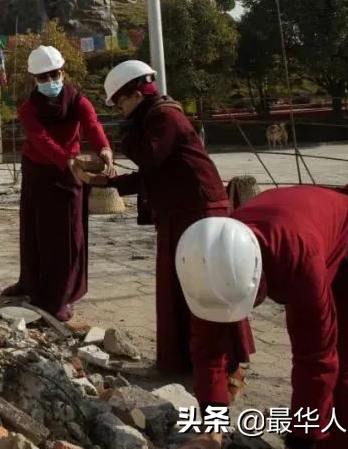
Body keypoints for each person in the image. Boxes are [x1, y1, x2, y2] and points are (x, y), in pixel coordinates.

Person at [75, 60, 254, 376]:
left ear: (136, 95)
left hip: (199, 211)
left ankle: (222, 362)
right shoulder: (156, 118)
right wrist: (105, 182)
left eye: (119, 102)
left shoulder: (164, 116)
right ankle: (186, 360)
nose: (119, 110)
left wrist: (125, 138)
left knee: (206, 286)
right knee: (179, 287)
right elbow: (152, 174)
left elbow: (149, 157)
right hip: (182, 210)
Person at [172, 185, 348, 449]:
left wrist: (296, 447)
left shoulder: (297, 260)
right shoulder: (206, 265)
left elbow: (316, 358)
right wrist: (212, 433)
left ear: (258, 278)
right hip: (301, 221)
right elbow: (208, 351)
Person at [2, 46, 112, 321]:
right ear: (34, 79)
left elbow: (92, 124)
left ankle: (63, 295)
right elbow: (41, 139)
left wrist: (104, 149)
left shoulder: (77, 101)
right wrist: (67, 160)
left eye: (54, 74)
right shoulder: (28, 109)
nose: (50, 81)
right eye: (43, 77)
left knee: (66, 237)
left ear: (63, 72)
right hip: (38, 172)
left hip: (69, 175)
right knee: (34, 231)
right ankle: (30, 281)